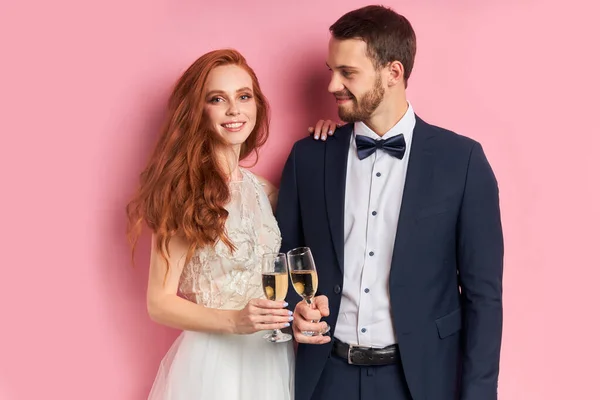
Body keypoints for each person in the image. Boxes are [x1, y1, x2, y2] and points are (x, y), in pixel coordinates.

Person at [277, 5, 504, 400]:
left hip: (421, 382)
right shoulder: (309, 158)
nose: (332, 85)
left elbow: (485, 299)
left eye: (348, 73)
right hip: (325, 379)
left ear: (393, 73)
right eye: (332, 70)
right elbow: (283, 260)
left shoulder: (462, 162)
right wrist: (296, 309)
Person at [126, 48, 332, 399]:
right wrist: (235, 321)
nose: (234, 109)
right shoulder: (186, 192)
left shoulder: (266, 192)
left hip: (270, 358)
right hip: (214, 365)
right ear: (197, 111)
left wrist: (331, 141)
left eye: (244, 96)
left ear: (257, 106)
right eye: (217, 99)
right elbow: (158, 302)